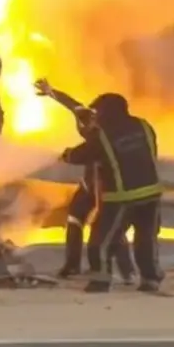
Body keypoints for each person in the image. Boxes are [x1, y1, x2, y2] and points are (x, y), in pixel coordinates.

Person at [55, 90, 165, 293]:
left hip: (122, 197)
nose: (95, 116)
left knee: (100, 241)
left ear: (106, 113)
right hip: (151, 194)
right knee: (146, 240)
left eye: (98, 113)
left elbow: (81, 155)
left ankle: (101, 279)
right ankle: (150, 280)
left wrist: (66, 155)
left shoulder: (103, 135)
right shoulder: (143, 126)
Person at [34, 79, 135, 284]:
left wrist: (69, 156)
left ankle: (128, 273)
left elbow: (82, 154)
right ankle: (72, 265)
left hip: (108, 189)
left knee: (110, 229)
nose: (91, 122)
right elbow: (71, 103)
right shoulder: (87, 117)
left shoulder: (110, 133)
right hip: (90, 184)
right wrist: (51, 91)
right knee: (74, 218)